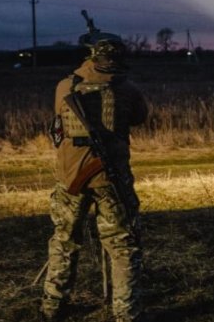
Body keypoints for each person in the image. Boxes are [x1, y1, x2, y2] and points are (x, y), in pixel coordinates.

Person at [40, 28, 148, 322]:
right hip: (111, 180)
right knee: (123, 245)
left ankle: (53, 305)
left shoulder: (65, 86)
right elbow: (139, 117)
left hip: (70, 179)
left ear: (90, 55)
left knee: (64, 240)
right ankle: (126, 313)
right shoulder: (127, 89)